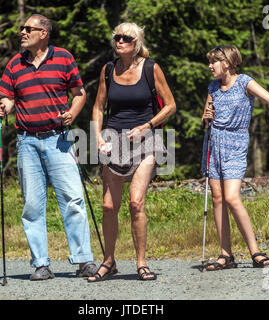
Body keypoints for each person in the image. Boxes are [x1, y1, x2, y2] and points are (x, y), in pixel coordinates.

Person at [0, 14, 98, 280]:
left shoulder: (63, 58)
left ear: (43, 33)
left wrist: (73, 114)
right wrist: (2, 108)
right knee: (32, 205)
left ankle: (83, 260)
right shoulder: (15, 64)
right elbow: (8, 98)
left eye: (28, 28)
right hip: (27, 141)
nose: (22, 32)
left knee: (73, 199)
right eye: (21, 28)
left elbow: (80, 93)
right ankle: (41, 264)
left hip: (58, 138)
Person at [200, 45, 269, 270]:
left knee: (232, 197)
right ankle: (225, 255)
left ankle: (255, 251)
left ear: (227, 63)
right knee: (218, 199)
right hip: (213, 144)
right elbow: (206, 117)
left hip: (235, 144)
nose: (210, 66)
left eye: (214, 62)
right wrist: (207, 118)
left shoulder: (244, 82)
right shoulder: (212, 87)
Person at [88, 22, 176, 282]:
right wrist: (97, 139)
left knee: (136, 203)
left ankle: (141, 262)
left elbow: (170, 105)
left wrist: (146, 126)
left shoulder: (151, 68)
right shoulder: (108, 70)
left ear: (137, 42)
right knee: (107, 206)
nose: (120, 41)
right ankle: (109, 261)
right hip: (114, 139)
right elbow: (98, 107)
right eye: (117, 37)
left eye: (126, 37)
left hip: (146, 139)